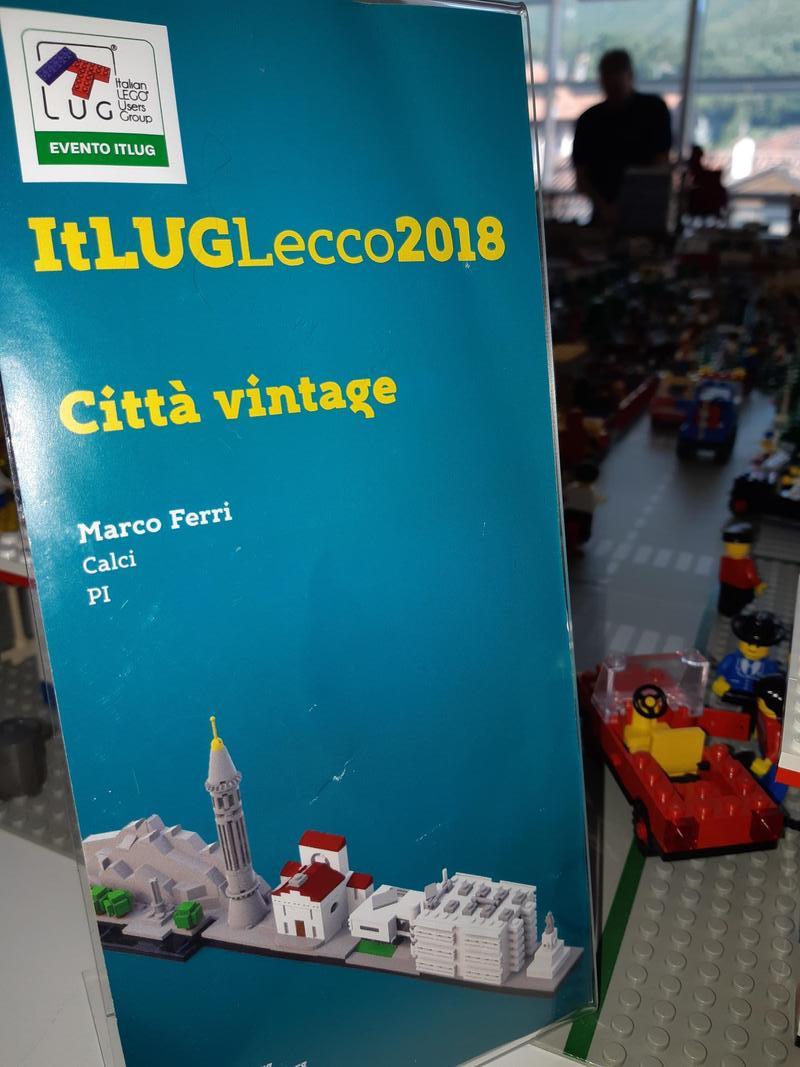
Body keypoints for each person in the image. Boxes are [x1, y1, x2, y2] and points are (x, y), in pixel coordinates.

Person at [572, 49, 672, 225]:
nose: (612, 88)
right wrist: (606, 207)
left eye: (615, 82)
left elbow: (660, 166)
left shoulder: (653, 111)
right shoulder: (589, 120)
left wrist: (612, 207)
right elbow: (581, 178)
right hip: (608, 214)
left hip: (641, 213)